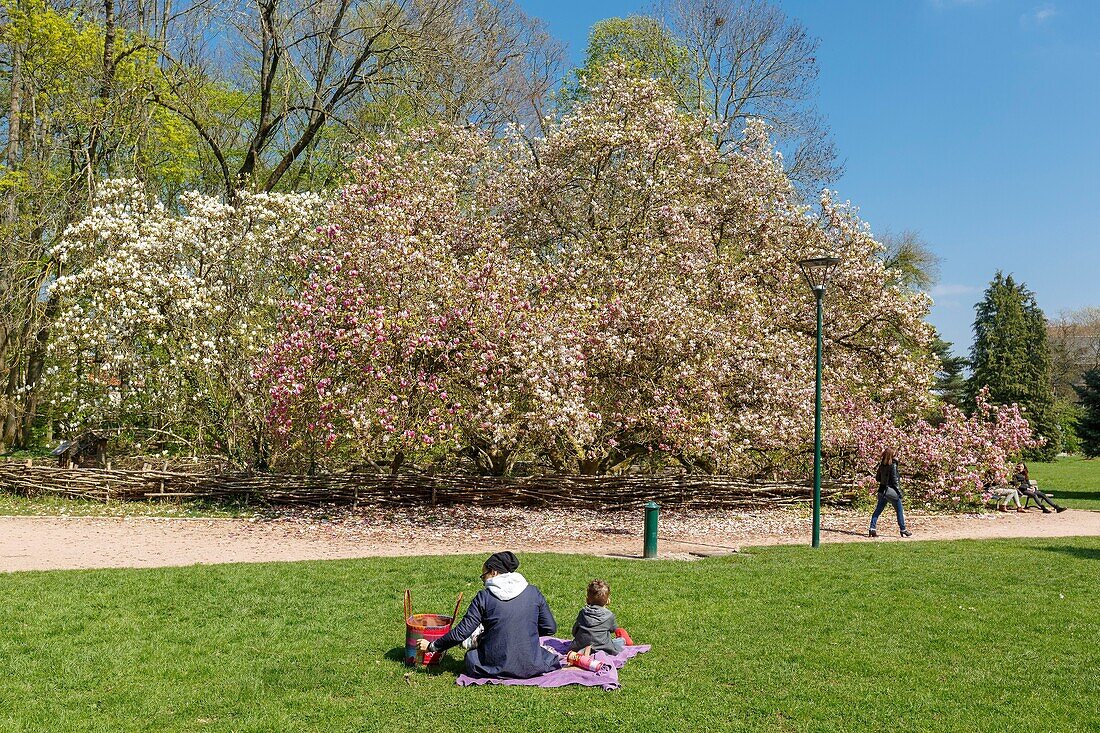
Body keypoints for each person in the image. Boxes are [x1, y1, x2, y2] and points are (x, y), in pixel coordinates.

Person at [415, 551, 560, 679]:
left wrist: (432, 646)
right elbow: (550, 628)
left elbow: (462, 633)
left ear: (494, 572)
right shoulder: (533, 592)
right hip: (531, 666)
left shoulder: (484, 597)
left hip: (494, 666)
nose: (483, 580)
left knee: (471, 658)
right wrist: (525, 634)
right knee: (545, 655)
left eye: (483, 575)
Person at [570, 579, 633, 655]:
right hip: (602, 649)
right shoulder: (609, 616)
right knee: (615, 643)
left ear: (587, 600)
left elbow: (574, 631)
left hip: (579, 647)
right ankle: (624, 640)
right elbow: (613, 630)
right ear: (608, 601)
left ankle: (587, 649)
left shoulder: (583, 613)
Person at [869, 448, 912, 538]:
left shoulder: (881, 465)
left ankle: (872, 528)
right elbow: (895, 481)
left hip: (882, 490)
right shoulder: (893, 465)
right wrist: (899, 493)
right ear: (892, 456)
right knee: (899, 510)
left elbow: (878, 478)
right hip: (891, 491)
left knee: (878, 510)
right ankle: (903, 529)